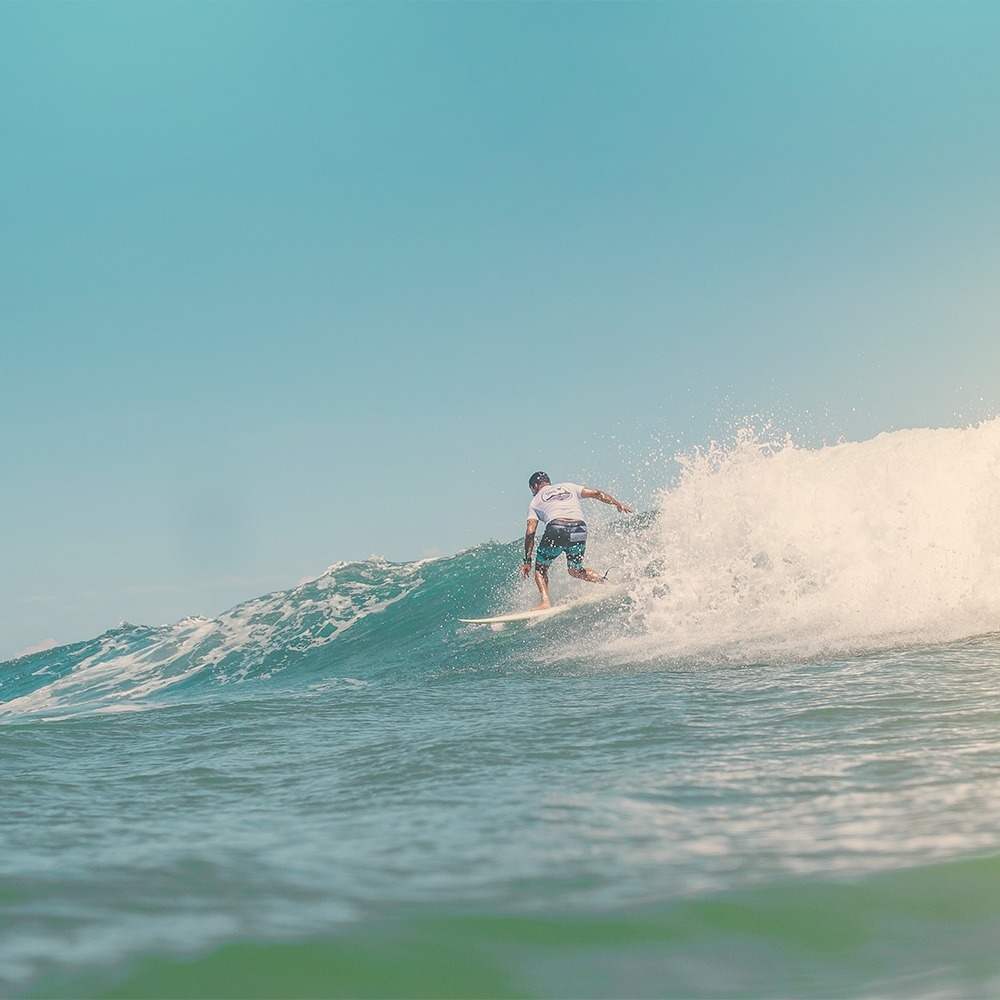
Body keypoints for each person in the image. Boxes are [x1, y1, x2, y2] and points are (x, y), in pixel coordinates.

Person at [520, 472, 634, 610]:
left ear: (535, 486)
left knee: (541, 569)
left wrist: (527, 561)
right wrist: (617, 504)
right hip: (579, 529)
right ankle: (607, 584)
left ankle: (545, 602)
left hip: (557, 529)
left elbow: (530, 531)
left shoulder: (535, 502)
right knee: (575, 570)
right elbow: (597, 493)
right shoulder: (568, 486)